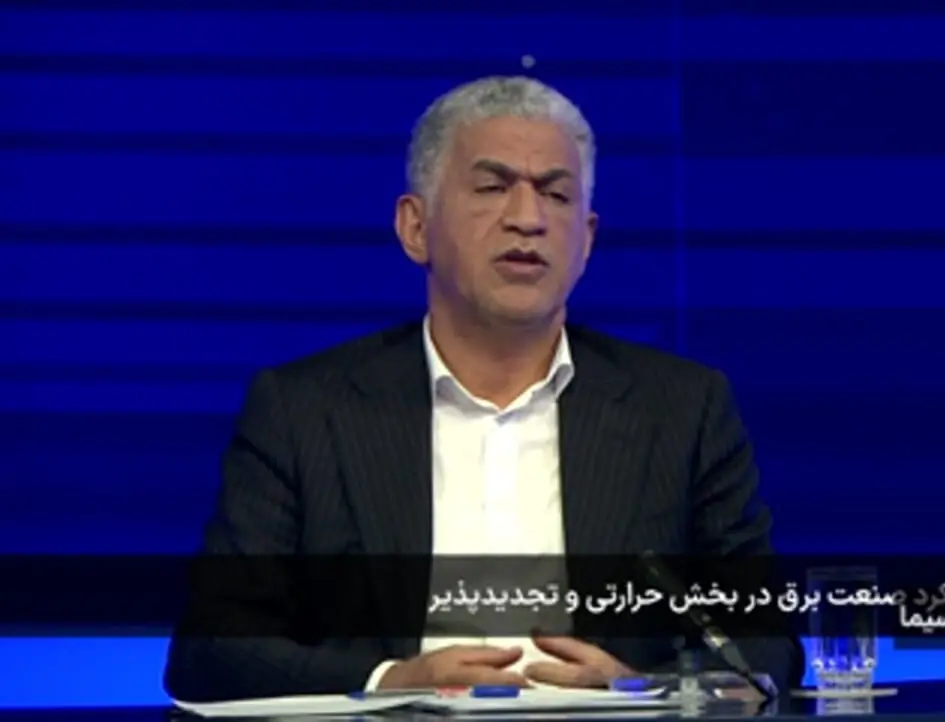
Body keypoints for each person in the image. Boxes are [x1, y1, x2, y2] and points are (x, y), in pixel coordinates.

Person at [163, 76, 798, 702]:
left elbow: (766, 646)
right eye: (493, 187)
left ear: (587, 240)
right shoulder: (304, 411)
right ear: (415, 227)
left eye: (555, 194)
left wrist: (637, 688)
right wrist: (390, 682)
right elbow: (210, 652)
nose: (527, 219)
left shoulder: (682, 410)